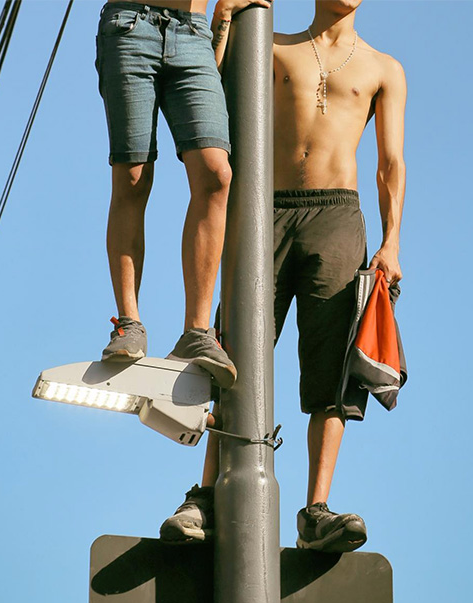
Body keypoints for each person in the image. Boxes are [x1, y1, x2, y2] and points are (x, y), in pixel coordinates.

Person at [161, 0, 407, 552]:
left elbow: (390, 164)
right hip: (264, 210)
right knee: (234, 352)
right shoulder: (268, 42)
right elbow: (212, 87)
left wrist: (392, 241)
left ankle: (316, 511)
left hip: (338, 215)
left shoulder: (383, 68)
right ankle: (205, 498)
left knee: (333, 365)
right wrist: (223, 22)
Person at [95, 0, 271, 388]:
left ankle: (196, 332)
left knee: (216, 174)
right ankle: (128, 324)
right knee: (134, 176)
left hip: (192, 32)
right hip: (130, 24)